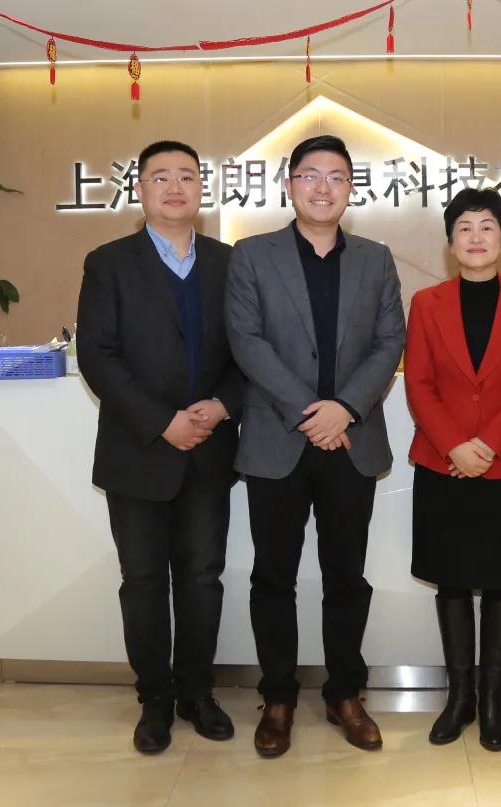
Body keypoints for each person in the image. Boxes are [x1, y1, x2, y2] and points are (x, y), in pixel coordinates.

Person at [225, 135, 406, 758]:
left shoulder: (376, 259)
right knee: (273, 576)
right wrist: (311, 412)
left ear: (351, 188)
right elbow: (246, 340)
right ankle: (278, 697)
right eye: (310, 175)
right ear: (289, 184)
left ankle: (344, 693)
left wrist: (345, 408)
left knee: (346, 576)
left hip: (351, 439)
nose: (322, 187)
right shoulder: (252, 255)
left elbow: (390, 341)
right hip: (278, 441)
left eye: (336, 176)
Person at [77, 140, 243, 754]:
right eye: (161, 177)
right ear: (139, 189)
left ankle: (198, 691)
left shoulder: (229, 263)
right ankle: (154, 699)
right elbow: (97, 355)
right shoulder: (108, 262)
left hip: (209, 448)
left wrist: (223, 404)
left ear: (202, 188)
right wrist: (161, 421)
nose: (175, 187)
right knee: (143, 581)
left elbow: (249, 350)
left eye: (187, 176)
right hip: (138, 451)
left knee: (202, 578)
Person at [404, 189, 501, 752]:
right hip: (442, 464)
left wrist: (487, 445)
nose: (475, 237)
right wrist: (454, 446)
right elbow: (419, 384)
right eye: (464, 227)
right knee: (451, 579)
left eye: (487, 226)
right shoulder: (426, 303)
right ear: (450, 242)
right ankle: (460, 697)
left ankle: (492, 699)